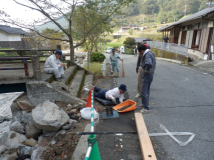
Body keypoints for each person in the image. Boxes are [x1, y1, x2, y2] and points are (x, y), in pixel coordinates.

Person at [137, 44, 155, 113]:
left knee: (144, 91)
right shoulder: (149, 53)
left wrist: (147, 70)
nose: (140, 54)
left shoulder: (147, 55)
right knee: (146, 90)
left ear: (142, 50)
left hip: (147, 75)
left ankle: (146, 108)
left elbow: (149, 64)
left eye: (140, 52)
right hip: (148, 75)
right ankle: (144, 104)